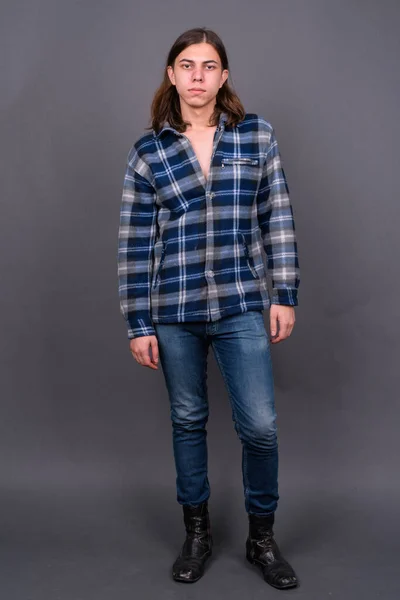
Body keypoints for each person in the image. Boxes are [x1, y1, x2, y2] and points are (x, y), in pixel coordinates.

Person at [117, 27, 300, 589]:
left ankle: (261, 538)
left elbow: (278, 218)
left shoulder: (257, 137)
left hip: (242, 302)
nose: (198, 76)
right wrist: (138, 322)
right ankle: (196, 533)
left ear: (224, 76)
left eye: (209, 66)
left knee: (261, 427)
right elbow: (134, 242)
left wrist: (284, 294)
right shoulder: (149, 152)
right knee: (188, 420)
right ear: (171, 75)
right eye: (187, 65)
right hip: (172, 309)